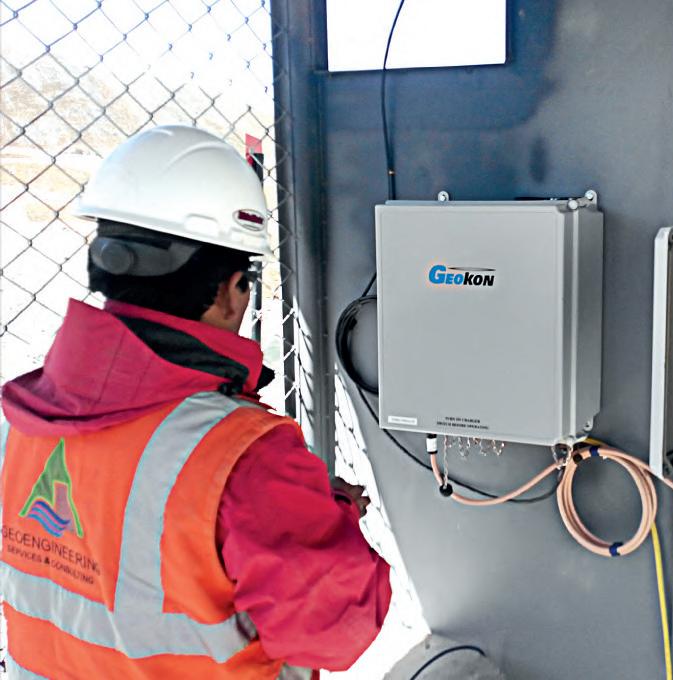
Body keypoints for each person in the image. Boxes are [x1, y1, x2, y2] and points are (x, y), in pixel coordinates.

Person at [0, 125, 391, 678]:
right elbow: (335, 633)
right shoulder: (245, 455)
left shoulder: (19, 420)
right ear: (233, 291)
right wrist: (330, 517)